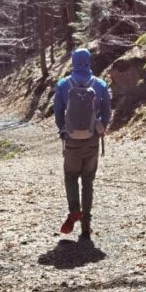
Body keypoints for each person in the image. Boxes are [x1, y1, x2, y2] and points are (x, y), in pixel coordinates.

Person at [53, 48, 112, 241]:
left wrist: (64, 129)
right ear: (89, 61)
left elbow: (58, 113)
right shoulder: (100, 84)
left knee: (70, 177)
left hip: (71, 140)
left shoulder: (63, 84)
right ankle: (86, 225)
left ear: (73, 61)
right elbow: (107, 112)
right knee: (88, 181)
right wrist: (99, 127)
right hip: (92, 139)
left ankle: (74, 210)